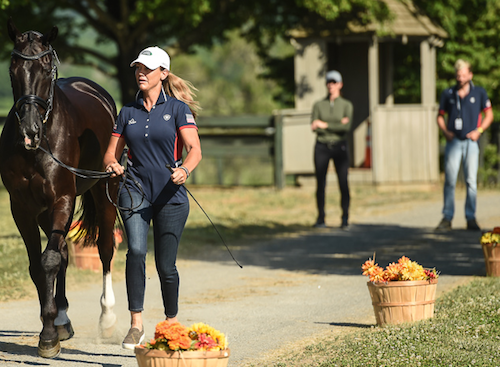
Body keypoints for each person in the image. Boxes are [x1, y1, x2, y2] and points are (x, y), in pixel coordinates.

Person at [104, 46, 202, 349]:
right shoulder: (127, 113)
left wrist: (184, 171)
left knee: (165, 266)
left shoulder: (177, 109)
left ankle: (171, 322)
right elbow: (111, 152)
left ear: (163, 73)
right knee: (135, 250)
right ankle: (136, 324)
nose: (140, 73)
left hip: (170, 195)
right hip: (134, 189)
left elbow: (194, 150)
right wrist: (112, 164)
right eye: (138, 68)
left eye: (147, 69)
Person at [435, 59, 493, 231]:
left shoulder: (479, 93)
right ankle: (447, 216)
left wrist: (479, 130)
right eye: (457, 75)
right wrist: (445, 131)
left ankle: (470, 217)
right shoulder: (448, 93)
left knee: (471, 181)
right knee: (450, 180)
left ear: (470, 75)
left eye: (463, 74)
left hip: (471, 141)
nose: (460, 78)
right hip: (454, 141)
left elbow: (489, 115)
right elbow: (440, 116)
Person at [311, 70, 353, 229]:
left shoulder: (346, 105)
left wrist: (325, 125)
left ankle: (345, 217)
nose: (331, 85)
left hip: (339, 146)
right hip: (322, 146)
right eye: (329, 82)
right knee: (320, 183)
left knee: (343, 181)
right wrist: (336, 125)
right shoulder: (318, 105)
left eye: (334, 82)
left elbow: (346, 127)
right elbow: (314, 126)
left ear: (340, 85)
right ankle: (321, 217)